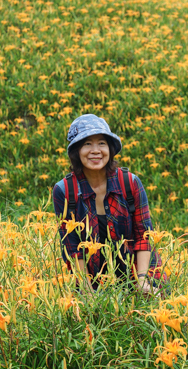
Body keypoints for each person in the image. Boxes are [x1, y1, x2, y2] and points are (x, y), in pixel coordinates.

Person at [53, 114, 163, 294]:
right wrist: (87, 290)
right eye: (87, 144)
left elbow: (144, 235)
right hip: (91, 277)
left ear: (110, 149)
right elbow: (72, 248)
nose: (95, 150)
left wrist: (142, 280)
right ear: (76, 151)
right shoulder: (65, 190)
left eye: (102, 143)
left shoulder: (129, 182)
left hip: (138, 270)